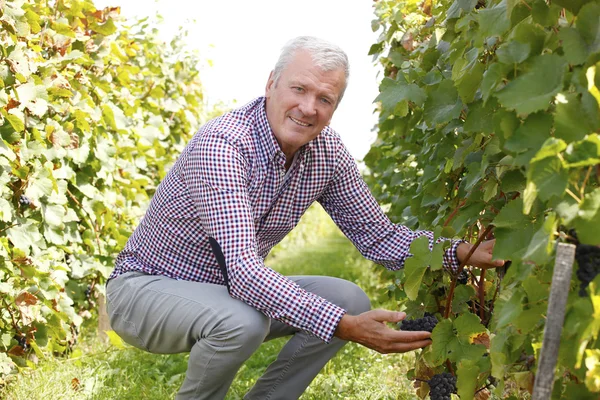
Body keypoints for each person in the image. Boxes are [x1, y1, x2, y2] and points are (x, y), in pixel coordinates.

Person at [105, 36, 504, 400]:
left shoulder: (326, 153)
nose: (309, 108)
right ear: (271, 84)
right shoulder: (224, 146)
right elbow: (245, 272)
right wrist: (344, 327)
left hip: (223, 291)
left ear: (335, 107)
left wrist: (462, 252)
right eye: (299, 89)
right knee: (245, 321)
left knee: (347, 298)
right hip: (145, 291)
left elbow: (378, 236)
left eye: (325, 99)